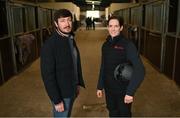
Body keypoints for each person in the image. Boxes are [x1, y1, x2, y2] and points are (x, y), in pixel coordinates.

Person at [96, 15, 145, 117]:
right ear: (108, 27)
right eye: (110, 26)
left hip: (123, 90)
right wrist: (100, 86)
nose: (113, 29)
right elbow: (103, 66)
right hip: (109, 89)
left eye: (116, 26)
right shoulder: (105, 45)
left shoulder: (128, 45)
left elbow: (140, 70)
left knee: (124, 114)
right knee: (112, 112)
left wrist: (130, 92)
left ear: (121, 28)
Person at [40, 9, 85, 117]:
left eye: (69, 20)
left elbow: (74, 63)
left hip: (72, 89)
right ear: (56, 23)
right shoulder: (50, 45)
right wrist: (56, 99)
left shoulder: (70, 39)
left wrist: (77, 83)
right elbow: (47, 75)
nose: (67, 24)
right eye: (62, 21)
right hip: (61, 93)